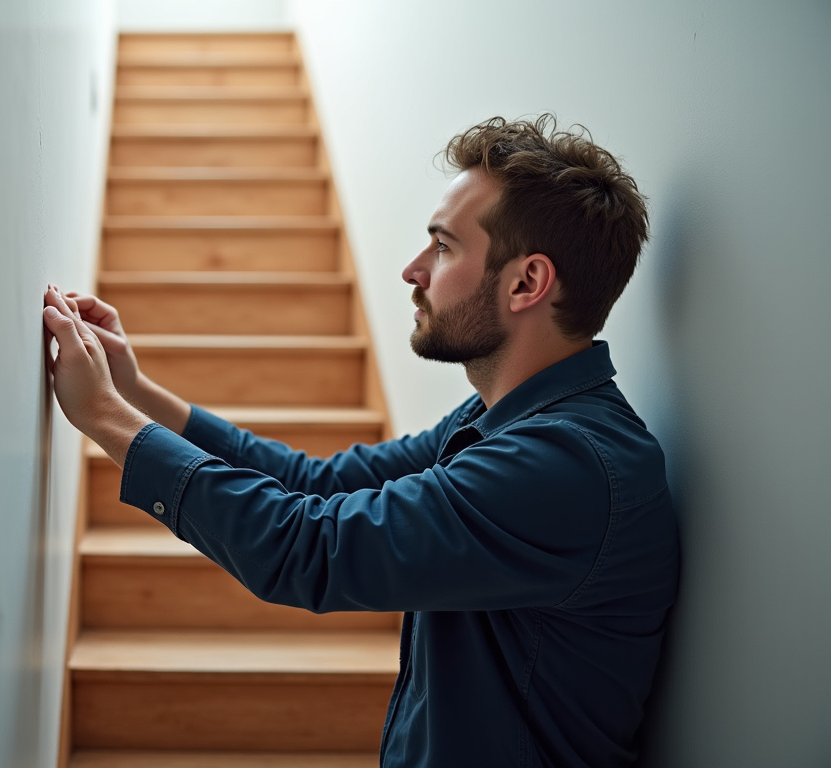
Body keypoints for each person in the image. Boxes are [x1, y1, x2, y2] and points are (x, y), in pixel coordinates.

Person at [41, 114, 679, 768]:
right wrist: (136, 391)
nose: (412, 270)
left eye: (443, 247)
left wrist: (105, 417)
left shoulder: (562, 466)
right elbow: (315, 484)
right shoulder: (504, 423)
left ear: (526, 283)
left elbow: (306, 547)